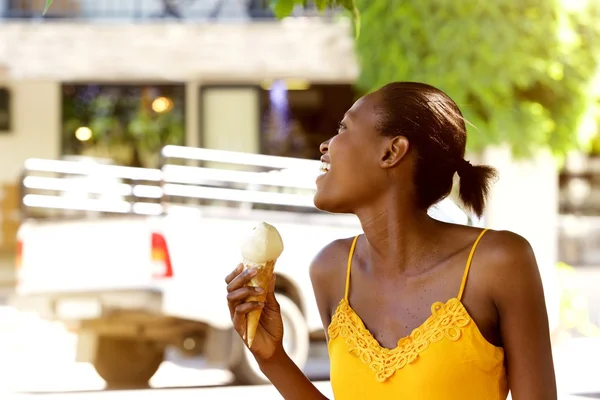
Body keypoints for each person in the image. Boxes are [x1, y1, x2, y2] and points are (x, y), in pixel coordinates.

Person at [225, 82, 557, 399]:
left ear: (391, 151)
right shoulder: (331, 269)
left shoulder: (498, 261)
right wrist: (271, 358)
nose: (325, 145)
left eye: (344, 129)